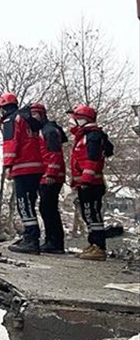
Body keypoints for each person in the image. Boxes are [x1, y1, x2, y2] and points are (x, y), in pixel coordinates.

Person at [0, 93, 45, 254]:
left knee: (24, 204)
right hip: (36, 167)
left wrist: (8, 166)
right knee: (30, 203)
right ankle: (31, 236)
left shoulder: (12, 120)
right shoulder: (27, 119)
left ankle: (31, 239)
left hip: (23, 167)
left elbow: (11, 144)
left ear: (3, 108)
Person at [68, 104, 113, 261]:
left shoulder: (92, 136)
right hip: (87, 183)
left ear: (84, 119)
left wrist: (86, 180)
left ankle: (99, 247)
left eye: (75, 118)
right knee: (89, 214)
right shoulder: (86, 136)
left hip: (91, 184)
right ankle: (93, 243)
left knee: (92, 214)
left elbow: (92, 160)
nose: (72, 121)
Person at [34, 103, 68, 254]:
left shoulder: (49, 131)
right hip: (48, 175)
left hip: (51, 176)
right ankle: (51, 241)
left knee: (48, 208)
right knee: (47, 208)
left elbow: (55, 154)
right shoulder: (45, 130)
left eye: (35, 114)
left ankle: (54, 242)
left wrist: (51, 174)